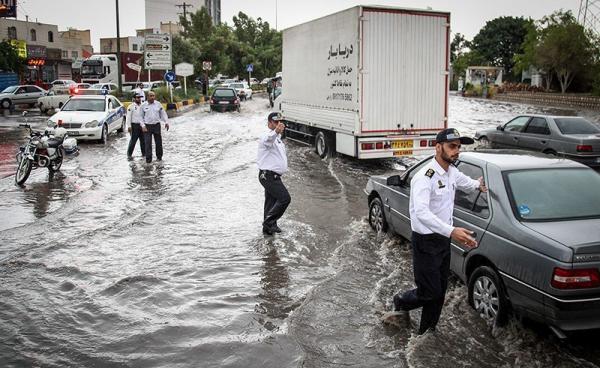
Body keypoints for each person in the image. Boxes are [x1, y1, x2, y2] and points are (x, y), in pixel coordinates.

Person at [384, 128, 488, 334]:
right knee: (429, 291)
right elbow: (422, 213)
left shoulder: (452, 171)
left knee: (440, 291)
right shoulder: (425, 177)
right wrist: (451, 231)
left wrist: (479, 185)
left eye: (458, 147)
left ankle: (427, 332)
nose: (456, 151)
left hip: (443, 240)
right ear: (438, 147)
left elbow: (466, 184)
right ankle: (401, 301)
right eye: (452, 146)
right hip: (425, 242)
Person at [257, 112, 291, 235]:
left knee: (270, 203)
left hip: (273, 176)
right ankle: (269, 223)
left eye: (281, 122)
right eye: (276, 122)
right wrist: (276, 131)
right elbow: (268, 139)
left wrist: (277, 133)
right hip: (268, 176)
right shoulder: (267, 136)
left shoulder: (278, 139)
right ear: (269, 123)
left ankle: (267, 231)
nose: (279, 124)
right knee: (285, 198)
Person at [141, 91, 169, 163]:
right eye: (151, 96)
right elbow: (140, 117)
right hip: (147, 126)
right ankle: (148, 160)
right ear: (147, 97)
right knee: (148, 143)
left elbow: (163, 113)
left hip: (156, 125)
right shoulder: (143, 105)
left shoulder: (158, 104)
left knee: (158, 142)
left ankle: (159, 158)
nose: (152, 97)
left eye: (153, 96)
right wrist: (143, 126)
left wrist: (166, 122)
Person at [126, 92, 146, 159]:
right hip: (134, 126)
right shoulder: (131, 106)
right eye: (137, 97)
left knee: (143, 141)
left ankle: (144, 154)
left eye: (140, 97)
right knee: (133, 141)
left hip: (142, 125)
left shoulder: (143, 105)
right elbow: (128, 117)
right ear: (134, 99)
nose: (139, 99)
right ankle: (129, 155)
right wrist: (129, 126)